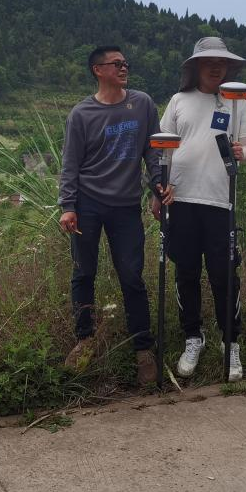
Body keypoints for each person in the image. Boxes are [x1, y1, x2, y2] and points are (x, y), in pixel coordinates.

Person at [59, 46, 167, 385]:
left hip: (126, 205)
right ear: (98, 69)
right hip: (88, 204)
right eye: (116, 64)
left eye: (125, 63)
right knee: (83, 273)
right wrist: (68, 206)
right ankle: (85, 340)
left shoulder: (142, 104)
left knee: (132, 276)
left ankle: (143, 349)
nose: (124, 68)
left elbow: (153, 151)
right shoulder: (82, 114)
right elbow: (70, 164)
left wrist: (159, 186)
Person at [158, 36, 246, 381]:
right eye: (209, 62)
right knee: (185, 272)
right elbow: (164, 149)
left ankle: (230, 341)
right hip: (181, 199)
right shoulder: (179, 100)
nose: (216, 67)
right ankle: (193, 337)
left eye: (222, 62)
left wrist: (241, 151)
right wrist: (158, 192)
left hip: (220, 200)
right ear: (196, 66)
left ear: (228, 67)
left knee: (224, 275)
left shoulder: (238, 101)